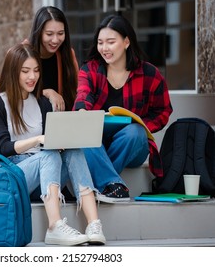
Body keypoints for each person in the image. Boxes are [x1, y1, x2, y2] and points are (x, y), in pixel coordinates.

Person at [0, 43, 106, 246]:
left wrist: (61, 141)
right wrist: (39, 140)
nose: (32, 76)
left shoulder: (42, 102)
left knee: (73, 150)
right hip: (16, 174)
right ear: (12, 72)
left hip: (46, 177)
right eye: (25, 71)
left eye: (36, 70)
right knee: (48, 154)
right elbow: (4, 148)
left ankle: (94, 224)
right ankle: (54, 226)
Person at [73, 14, 173, 203]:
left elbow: (164, 110)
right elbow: (83, 96)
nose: (104, 48)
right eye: (100, 42)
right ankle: (113, 186)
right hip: (96, 143)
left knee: (134, 132)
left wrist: (143, 125)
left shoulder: (149, 74)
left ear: (126, 42)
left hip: (132, 145)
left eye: (111, 42)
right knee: (85, 133)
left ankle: (100, 180)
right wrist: (82, 113)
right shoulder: (90, 70)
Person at [27, 6, 78, 111]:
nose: (55, 40)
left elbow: (78, 89)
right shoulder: (22, 54)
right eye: (49, 34)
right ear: (39, 32)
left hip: (63, 119)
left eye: (60, 33)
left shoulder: (68, 53)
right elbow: (13, 92)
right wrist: (46, 92)